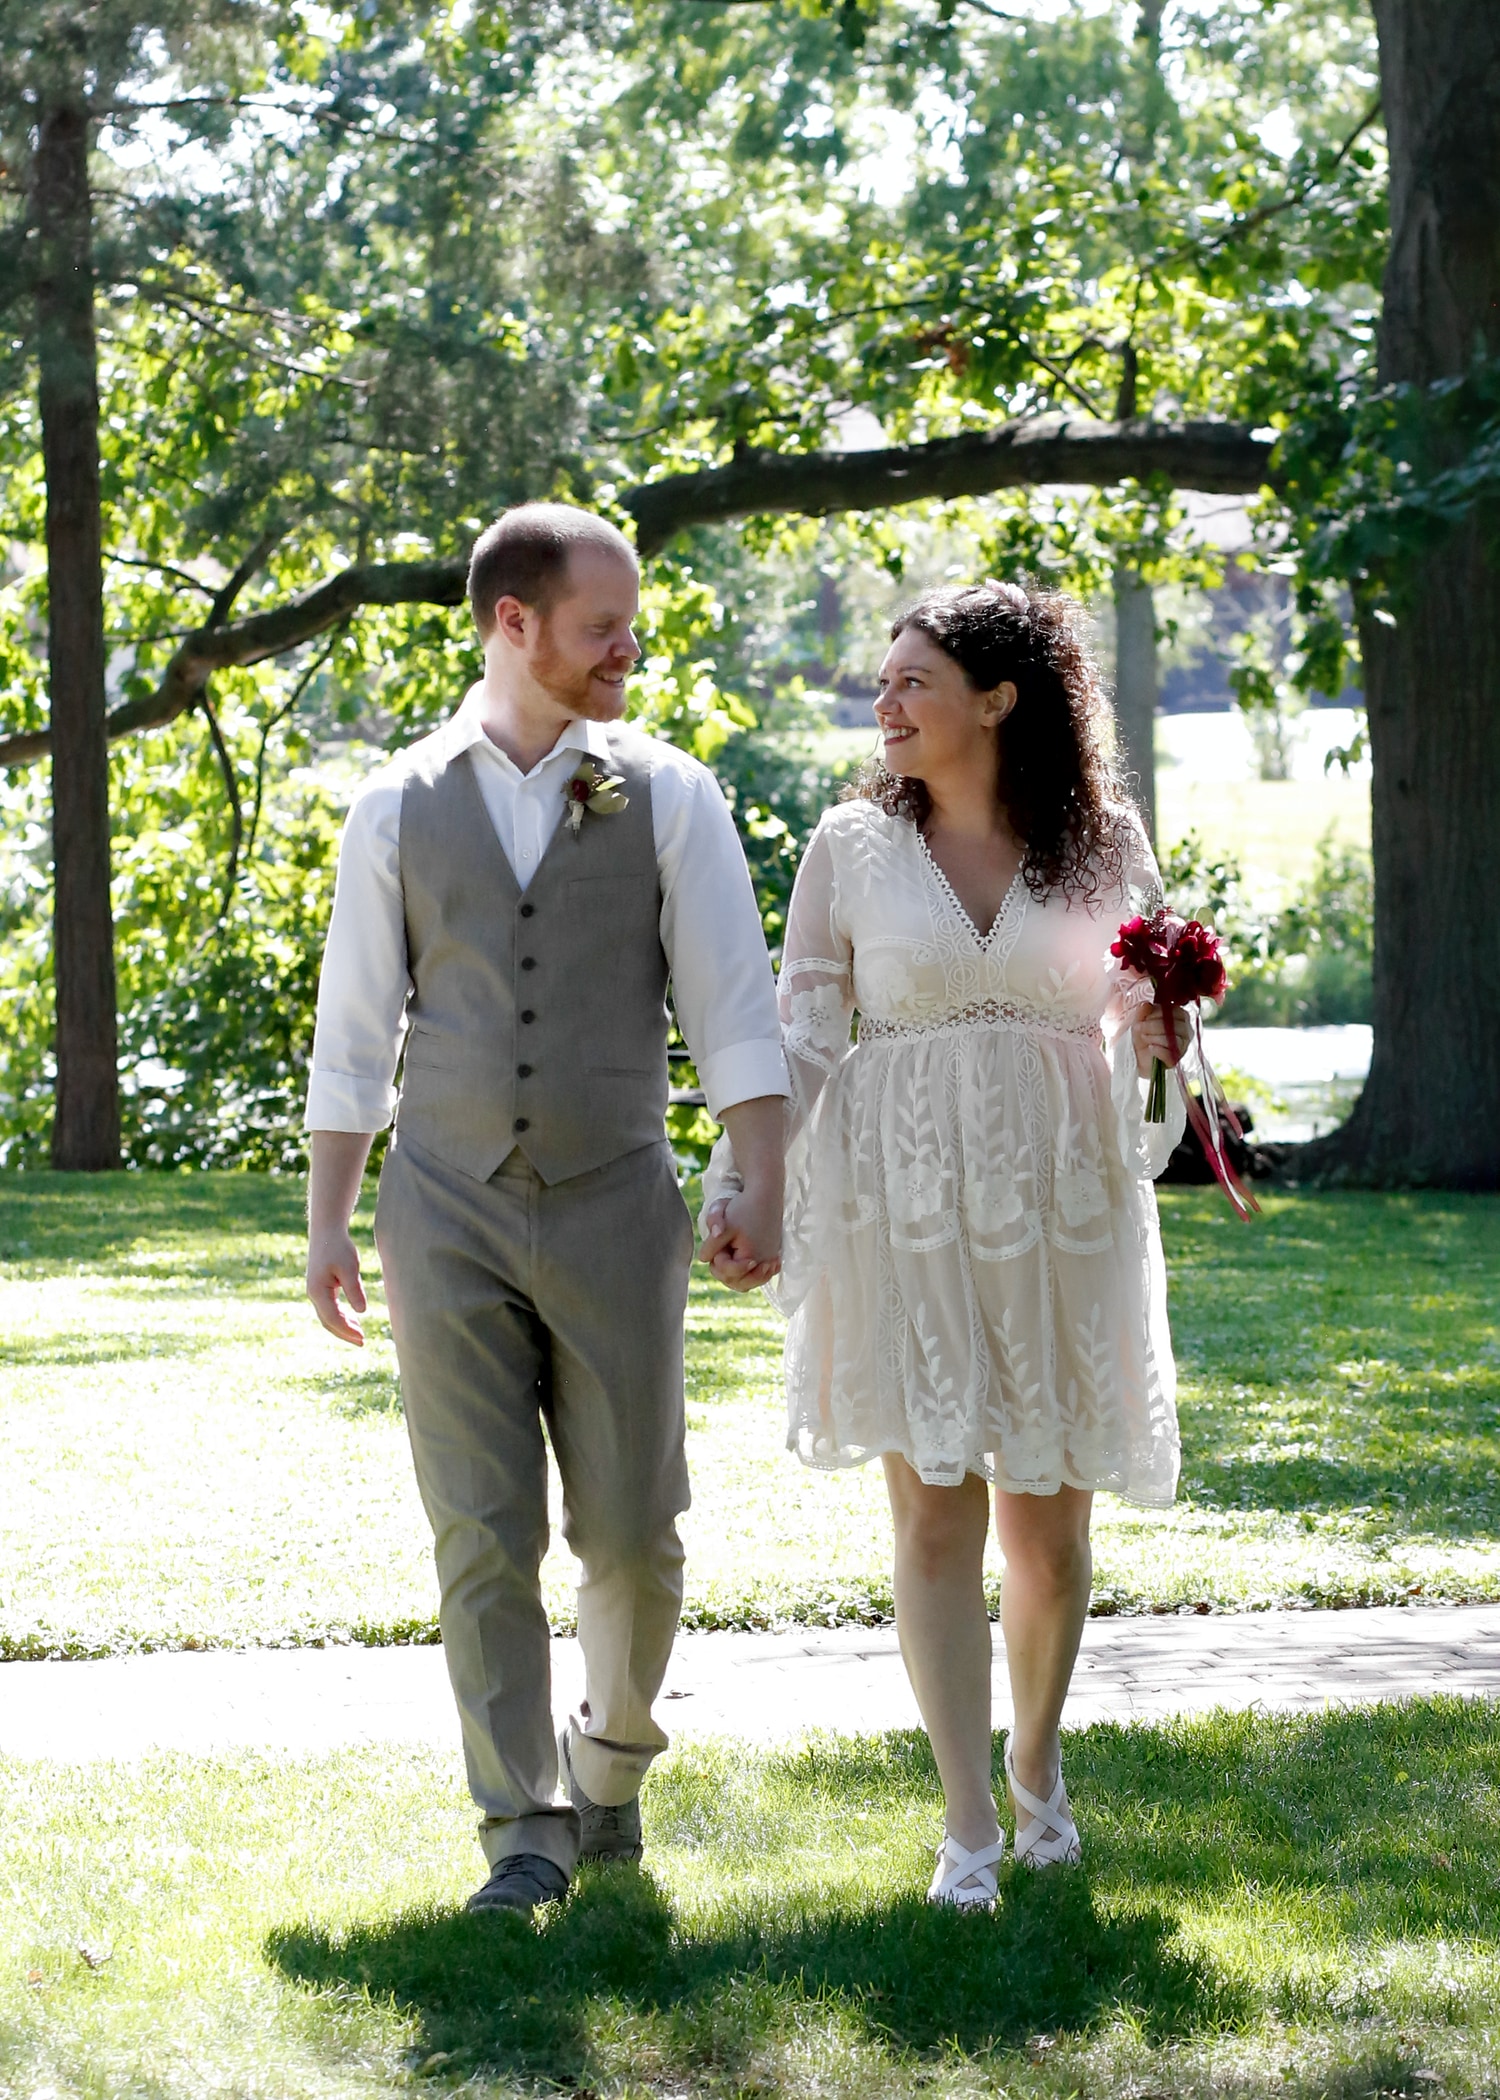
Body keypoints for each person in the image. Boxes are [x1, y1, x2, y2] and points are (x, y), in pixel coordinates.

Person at [305, 502, 786, 1917]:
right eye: (602, 630)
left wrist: (753, 1174)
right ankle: (521, 1827)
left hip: (615, 1199)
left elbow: (736, 1014)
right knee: (479, 1530)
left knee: (636, 1530)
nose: (627, 652)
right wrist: (331, 1223)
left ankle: (612, 1769)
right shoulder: (398, 800)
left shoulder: (670, 794)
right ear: (513, 626)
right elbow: (354, 1032)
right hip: (441, 1207)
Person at [701, 580, 1186, 1910]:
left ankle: (1038, 1770)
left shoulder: (1105, 846)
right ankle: (966, 1821)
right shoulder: (851, 846)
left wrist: (1164, 1043)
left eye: (914, 679)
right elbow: (797, 1044)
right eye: (885, 680)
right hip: (901, 1206)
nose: (885, 700)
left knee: (1047, 1528)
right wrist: (741, 1187)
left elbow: (1148, 1076)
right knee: (929, 1514)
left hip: (1061, 1206)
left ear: (999, 698)